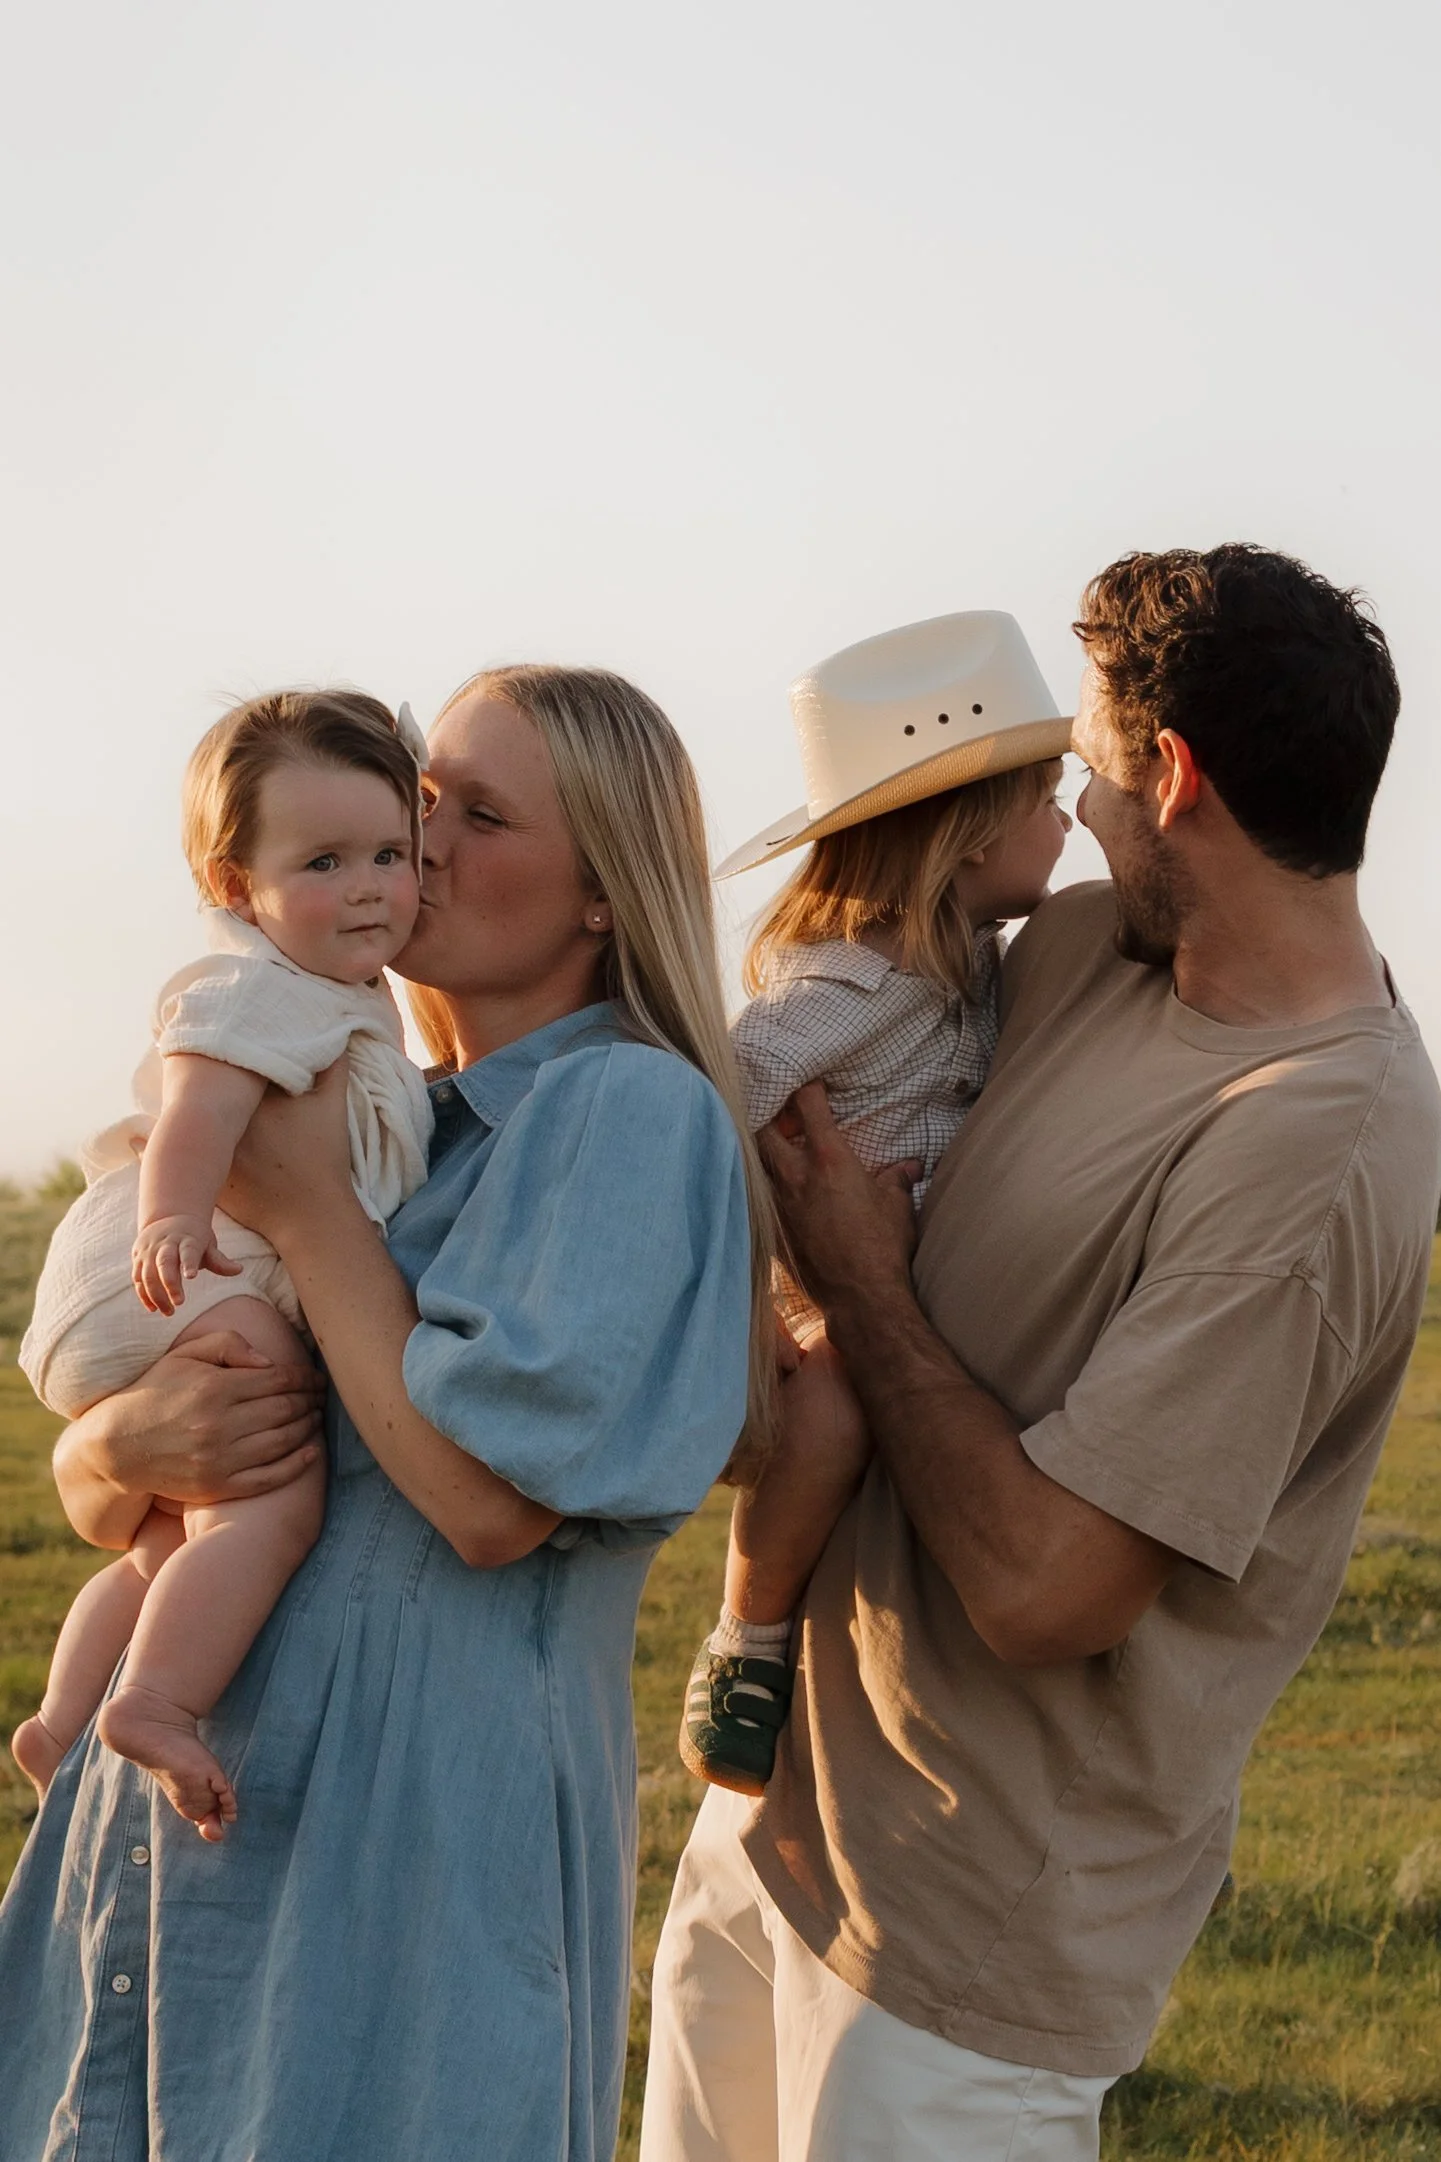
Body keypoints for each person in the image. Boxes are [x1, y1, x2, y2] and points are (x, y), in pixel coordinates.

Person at [642, 546, 1441, 2162]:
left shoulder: (1316, 1141)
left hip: (964, 1954)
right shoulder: (1075, 955)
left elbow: (1047, 1590)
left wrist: (862, 1289)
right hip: (773, 1823)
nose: (1075, 814)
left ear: (1182, 778)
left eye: (1090, 772)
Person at [0, 665, 770, 2162]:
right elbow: (142, 1484)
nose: (423, 855)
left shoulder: (627, 1112)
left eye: (481, 819)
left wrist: (293, 1202)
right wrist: (107, 1450)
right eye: (423, 807)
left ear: (603, 892)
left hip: (392, 1871)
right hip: (176, 1827)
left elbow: (489, 1502)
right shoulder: (381, 1110)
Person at [14, 689, 434, 1838]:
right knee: (273, 1485)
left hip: (169, 1276)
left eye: (392, 853)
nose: (368, 885)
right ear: (233, 882)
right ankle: (154, 1702)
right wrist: (172, 1219)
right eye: (325, 859)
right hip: (169, 1266)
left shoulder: (334, 987)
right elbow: (198, 1104)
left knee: (174, 1533)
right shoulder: (258, 987)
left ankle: (62, 1713)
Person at [678, 613, 1072, 1796]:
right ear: (964, 837)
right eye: (1047, 799)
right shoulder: (852, 982)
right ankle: (746, 1640)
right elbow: (718, 1097)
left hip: (901, 1277)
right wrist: (752, 1278)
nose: (1066, 822)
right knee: (840, 1411)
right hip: (821, 1292)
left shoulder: (970, 962)